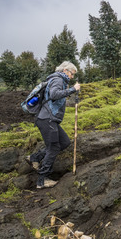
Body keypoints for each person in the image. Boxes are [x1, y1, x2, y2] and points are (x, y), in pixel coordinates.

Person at [25, 61, 81, 189]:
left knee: (65, 142)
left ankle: (35, 158)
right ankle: (42, 179)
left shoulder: (57, 79)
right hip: (47, 119)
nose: (72, 77)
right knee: (54, 147)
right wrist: (73, 89)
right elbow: (54, 95)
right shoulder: (58, 79)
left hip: (49, 119)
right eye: (72, 74)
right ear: (66, 71)